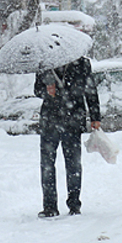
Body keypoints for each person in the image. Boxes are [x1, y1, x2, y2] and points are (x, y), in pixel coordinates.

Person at [34, 56, 101, 218]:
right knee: (47, 164)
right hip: (50, 122)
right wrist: (46, 91)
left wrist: (95, 116)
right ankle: (50, 206)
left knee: (73, 165)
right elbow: (36, 90)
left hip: (73, 120)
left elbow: (90, 90)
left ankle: (74, 204)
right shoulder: (45, 64)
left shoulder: (82, 63)